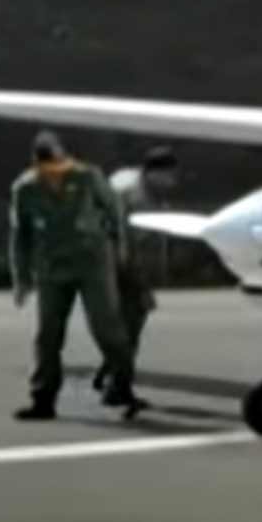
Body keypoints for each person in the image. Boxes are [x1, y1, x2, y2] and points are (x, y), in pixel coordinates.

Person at [9, 129, 140, 420]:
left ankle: (121, 387)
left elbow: (114, 210)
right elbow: (20, 236)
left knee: (106, 328)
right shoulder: (25, 189)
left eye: (59, 165)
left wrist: (120, 248)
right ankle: (43, 398)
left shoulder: (87, 176)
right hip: (52, 268)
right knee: (48, 335)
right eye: (48, 168)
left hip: (92, 263)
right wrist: (21, 279)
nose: (55, 172)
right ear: (37, 165)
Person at [92, 146, 179, 390]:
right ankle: (118, 389)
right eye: (170, 174)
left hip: (111, 263)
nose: (173, 180)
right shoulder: (137, 198)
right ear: (154, 173)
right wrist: (143, 287)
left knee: (123, 327)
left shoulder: (130, 181)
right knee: (129, 328)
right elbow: (129, 248)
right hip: (120, 268)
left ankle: (109, 372)